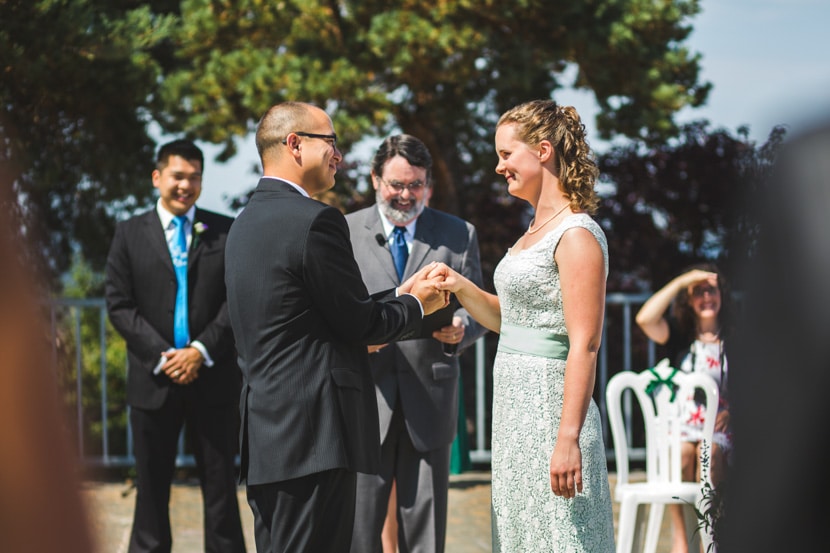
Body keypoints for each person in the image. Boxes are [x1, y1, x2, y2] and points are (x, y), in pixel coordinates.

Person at [223, 102, 448, 553]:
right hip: (315, 437)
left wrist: (399, 294)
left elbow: (312, 320)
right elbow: (359, 324)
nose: (339, 155)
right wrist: (415, 304)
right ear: (294, 144)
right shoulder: (315, 220)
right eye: (330, 141)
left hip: (268, 435)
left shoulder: (244, 224)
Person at [431, 99, 615, 552]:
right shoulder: (532, 229)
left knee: (562, 538)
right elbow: (510, 322)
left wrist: (568, 438)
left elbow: (585, 344)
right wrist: (460, 286)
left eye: (507, 154)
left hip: (552, 413)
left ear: (544, 151)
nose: (499, 167)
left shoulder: (576, 234)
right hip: (514, 417)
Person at [345, 134, 486, 553]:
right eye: (396, 185)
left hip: (431, 396)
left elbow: (479, 308)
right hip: (366, 399)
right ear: (375, 179)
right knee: (357, 530)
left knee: (425, 532)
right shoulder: (345, 231)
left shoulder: (459, 233)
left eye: (416, 185)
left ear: (428, 184)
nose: (406, 195)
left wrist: (461, 327)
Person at [105, 139, 246, 553]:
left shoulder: (225, 229)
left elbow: (235, 300)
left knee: (221, 490)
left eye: (195, 177)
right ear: (157, 177)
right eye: (178, 176)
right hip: (154, 381)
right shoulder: (129, 233)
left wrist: (199, 351)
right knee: (151, 490)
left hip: (213, 378)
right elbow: (119, 303)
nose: (186, 185)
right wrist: (164, 356)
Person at [635, 264, 732, 553]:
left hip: (720, 430)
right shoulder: (679, 336)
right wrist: (681, 281)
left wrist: (734, 412)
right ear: (688, 300)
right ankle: (685, 540)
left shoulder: (737, 338)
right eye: (697, 291)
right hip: (682, 427)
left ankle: (715, 536)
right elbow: (644, 318)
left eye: (711, 290)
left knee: (709, 454)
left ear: (722, 295)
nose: (706, 297)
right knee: (681, 456)